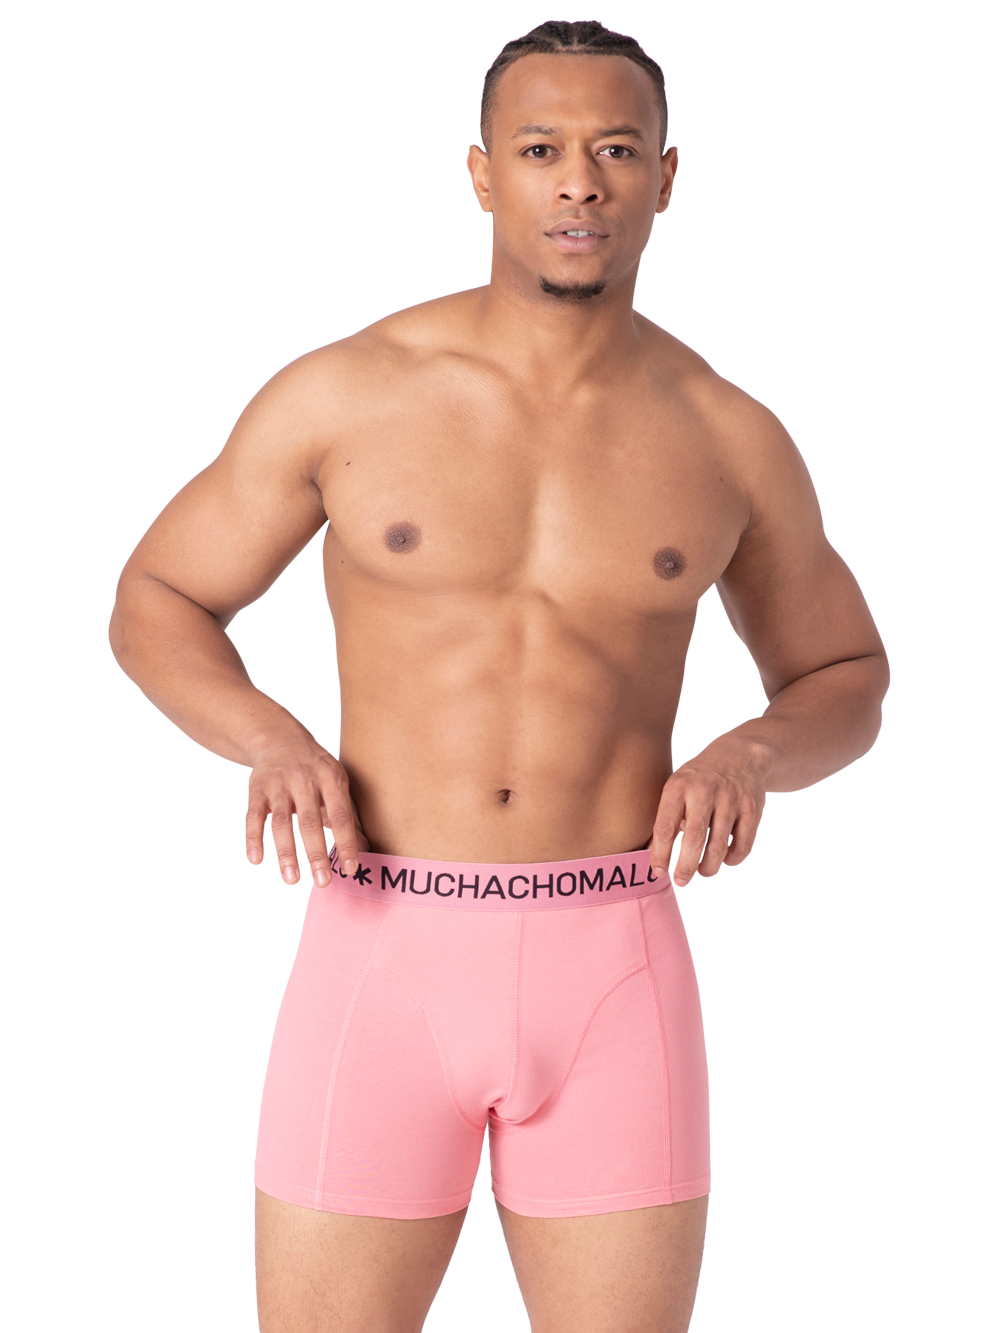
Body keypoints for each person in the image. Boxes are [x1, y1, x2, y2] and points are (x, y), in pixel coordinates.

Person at [109, 20, 889, 1333]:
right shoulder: (348, 397)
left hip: (614, 957)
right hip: (380, 945)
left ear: (665, 179)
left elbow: (848, 670)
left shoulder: (728, 439)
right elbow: (157, 597)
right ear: (483, 175)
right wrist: (271, 740)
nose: (578, 181)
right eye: (540, 150)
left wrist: (753, 751)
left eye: (616, 150)